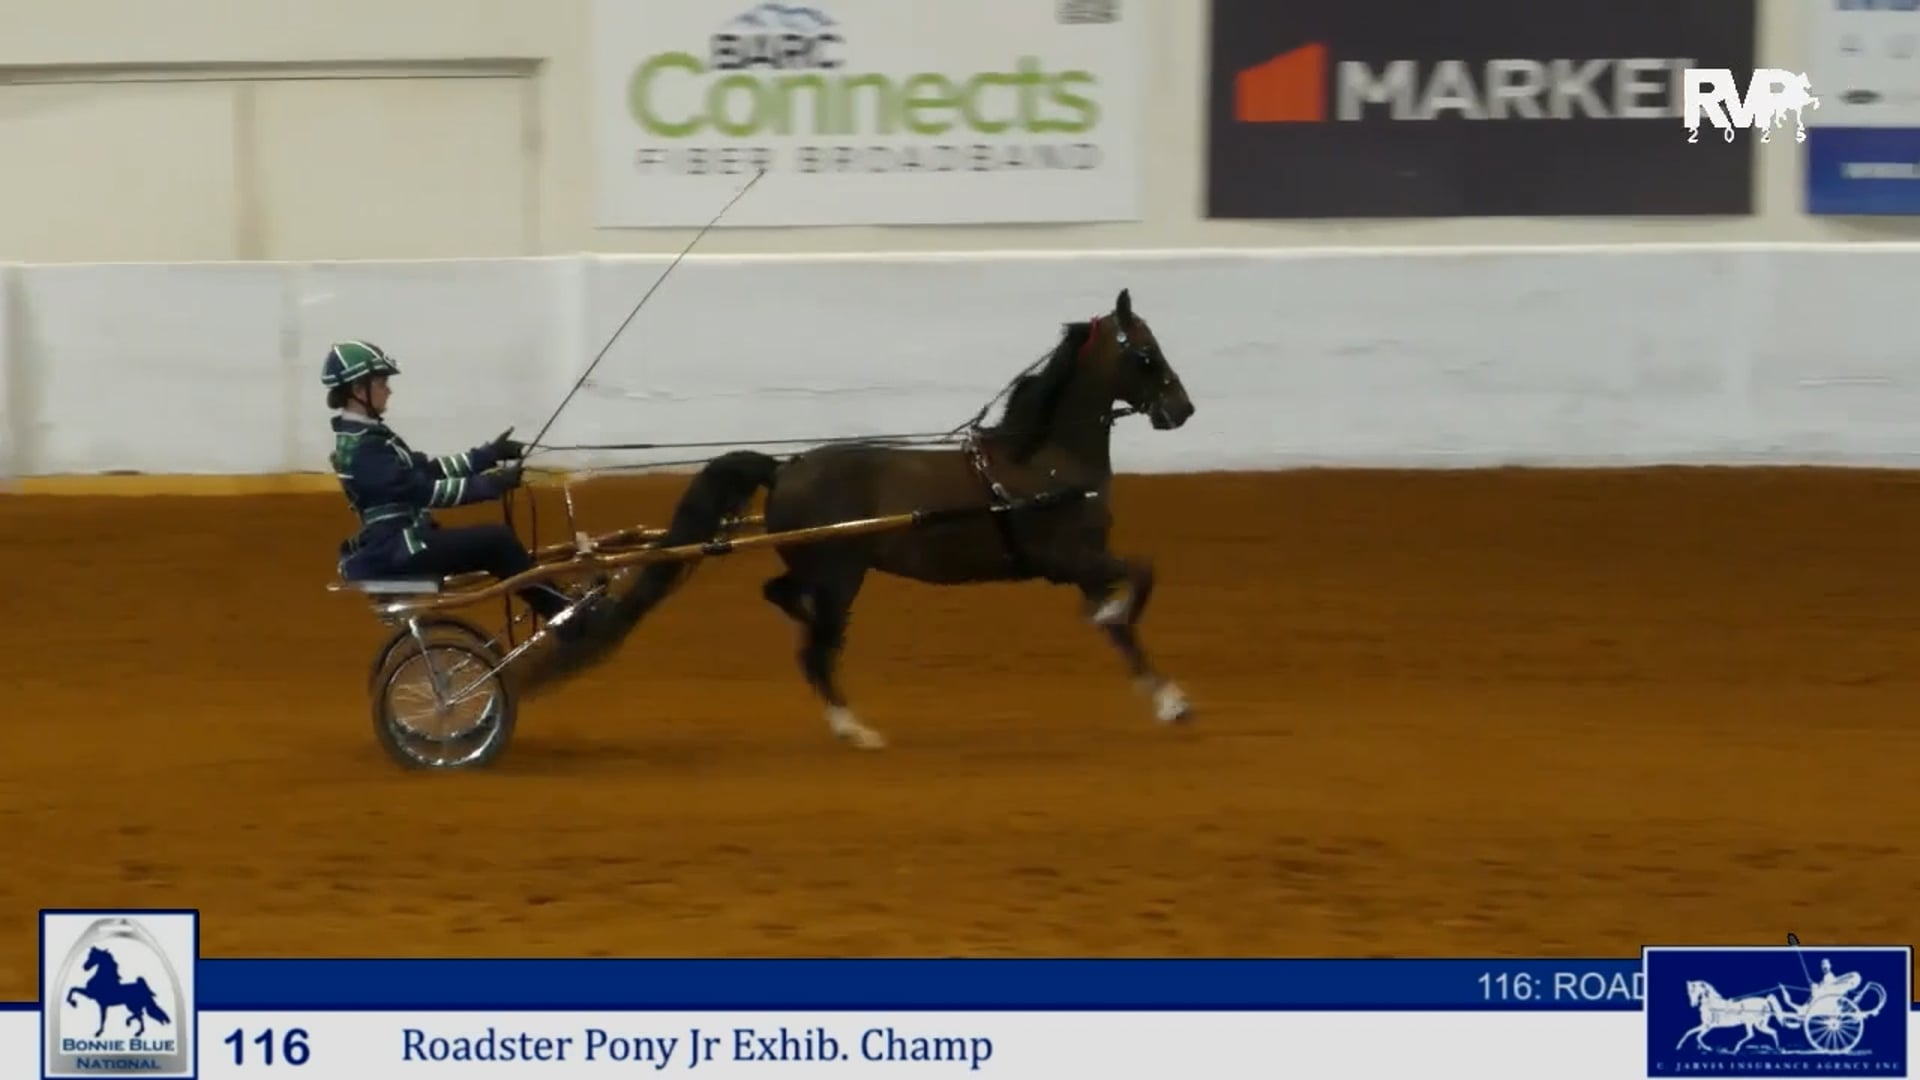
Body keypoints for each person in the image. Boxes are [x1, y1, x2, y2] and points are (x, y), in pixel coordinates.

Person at [322, 340, 603, 644]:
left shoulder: (365, 437)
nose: (388, 390)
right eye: (381, 382)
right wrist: (489, 485)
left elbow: (428, 470)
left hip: (401, 543)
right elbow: (422, 491)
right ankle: (570, 621)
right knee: (497, 542)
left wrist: (485, 456)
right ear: (358, 390)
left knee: (497, 545)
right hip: (400, 550)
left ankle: (563, 611)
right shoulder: (366, 448)